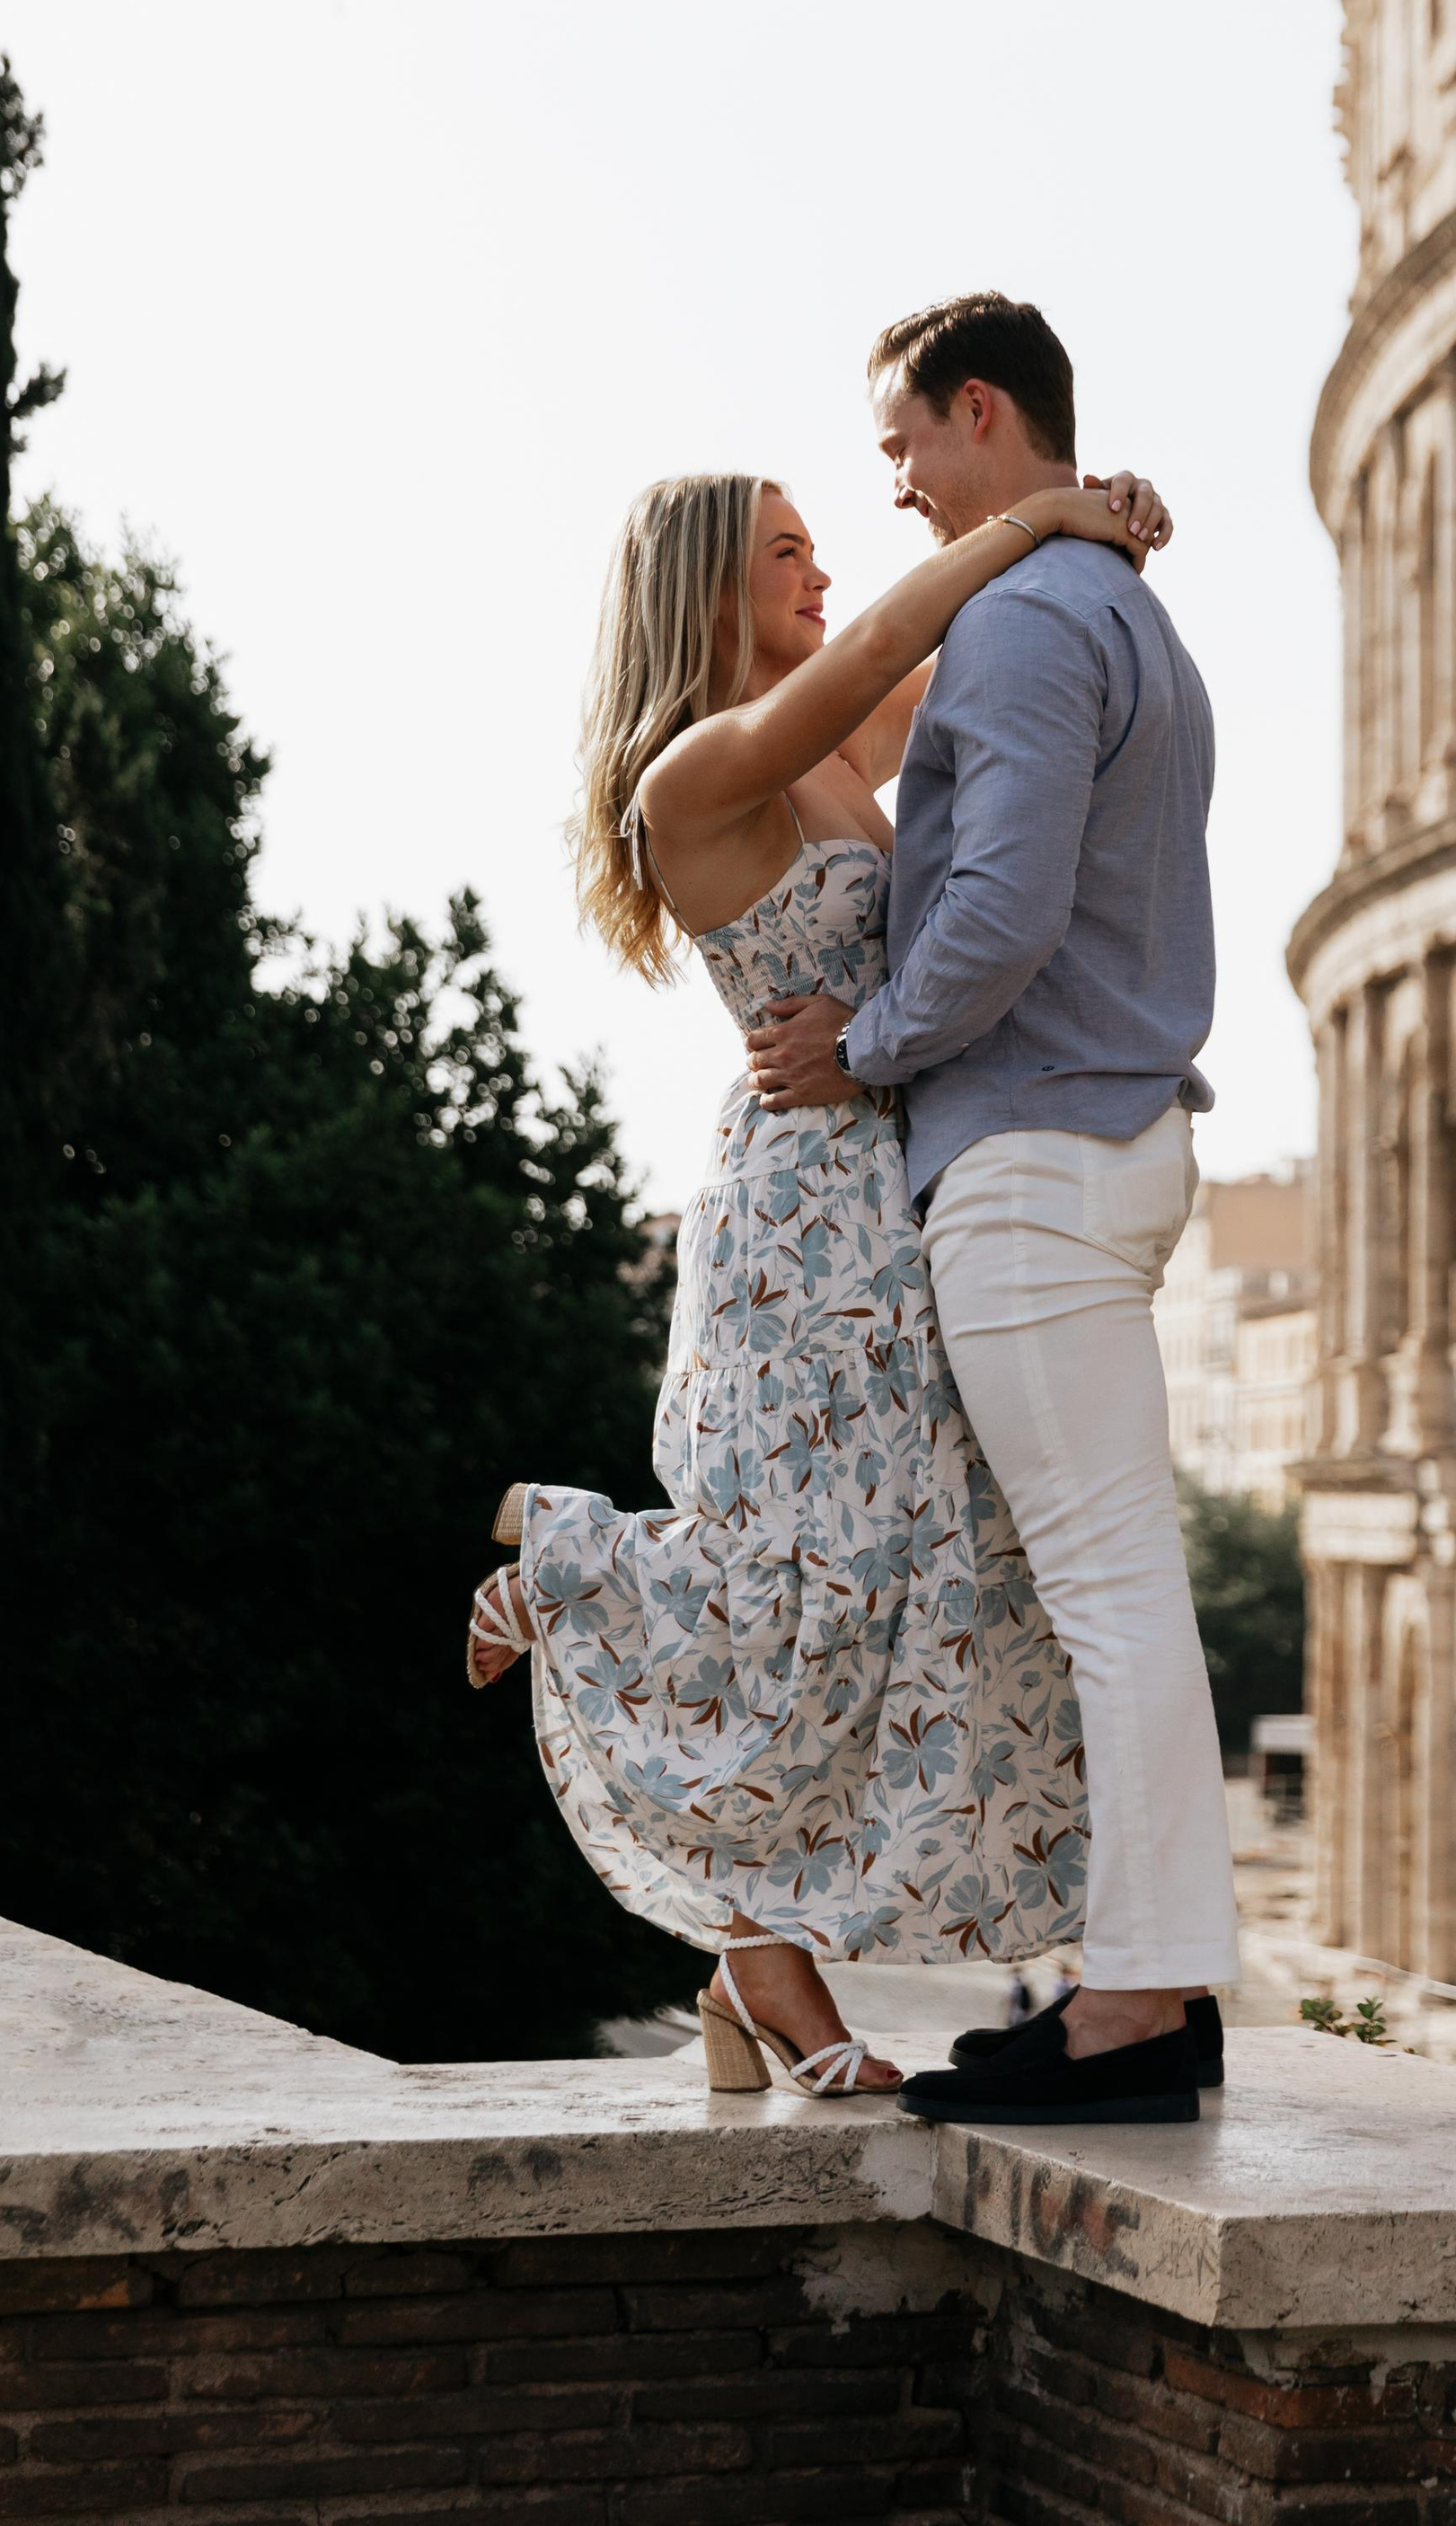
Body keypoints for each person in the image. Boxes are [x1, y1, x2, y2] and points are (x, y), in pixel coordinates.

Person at [464, 455, 1169, 2100]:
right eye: (785, 552)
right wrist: (1037, 517)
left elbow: (1002, 672)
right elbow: (885, 655)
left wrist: (1097, 542)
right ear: (707, 585)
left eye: (821, 548)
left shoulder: (850, 740)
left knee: (927, 1573)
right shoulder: (702, 772)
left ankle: (749, 1962)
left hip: (909, 1190)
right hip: (800, 1220)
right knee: (826, 1571)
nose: (822, 575)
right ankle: (574, 1574)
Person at [747, 292, 1240, 2129]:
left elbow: (1000, 910)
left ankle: (1136, 2009)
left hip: (1031, 1150)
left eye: (900, 447)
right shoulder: (1111, 602)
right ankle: (1143, 1989)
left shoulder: (1032, 621)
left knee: (1109, 1597)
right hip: (1100, 1137)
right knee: (1114, 1590)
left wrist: (864, 1049)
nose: (890, 486)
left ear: (978, 413)